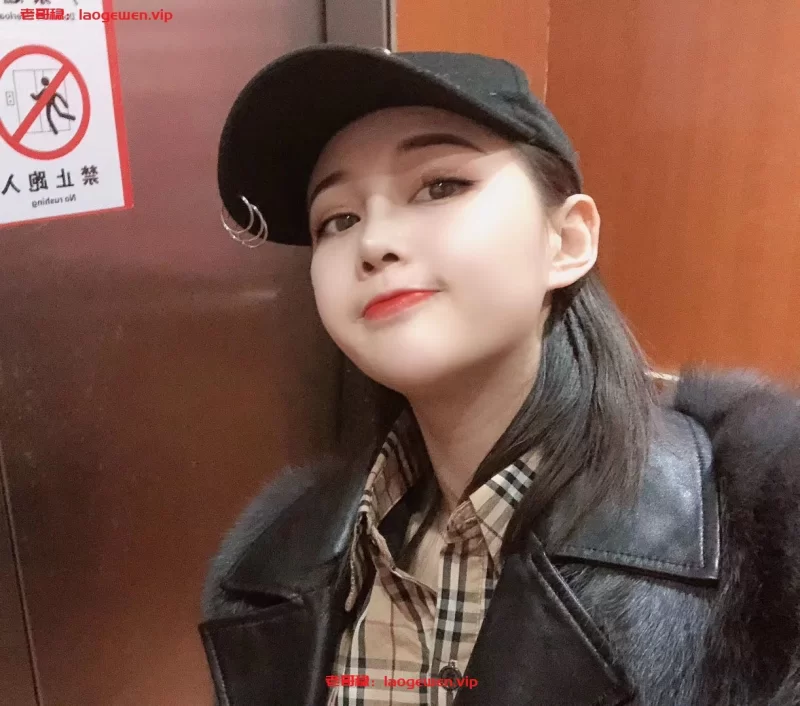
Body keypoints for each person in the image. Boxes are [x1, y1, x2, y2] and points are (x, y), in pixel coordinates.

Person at [198, 45, 800, 706]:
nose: (373, 243)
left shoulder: (770, 528)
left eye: (440, 186)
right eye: (338, 219)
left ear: (567, 240)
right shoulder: (276, 560)